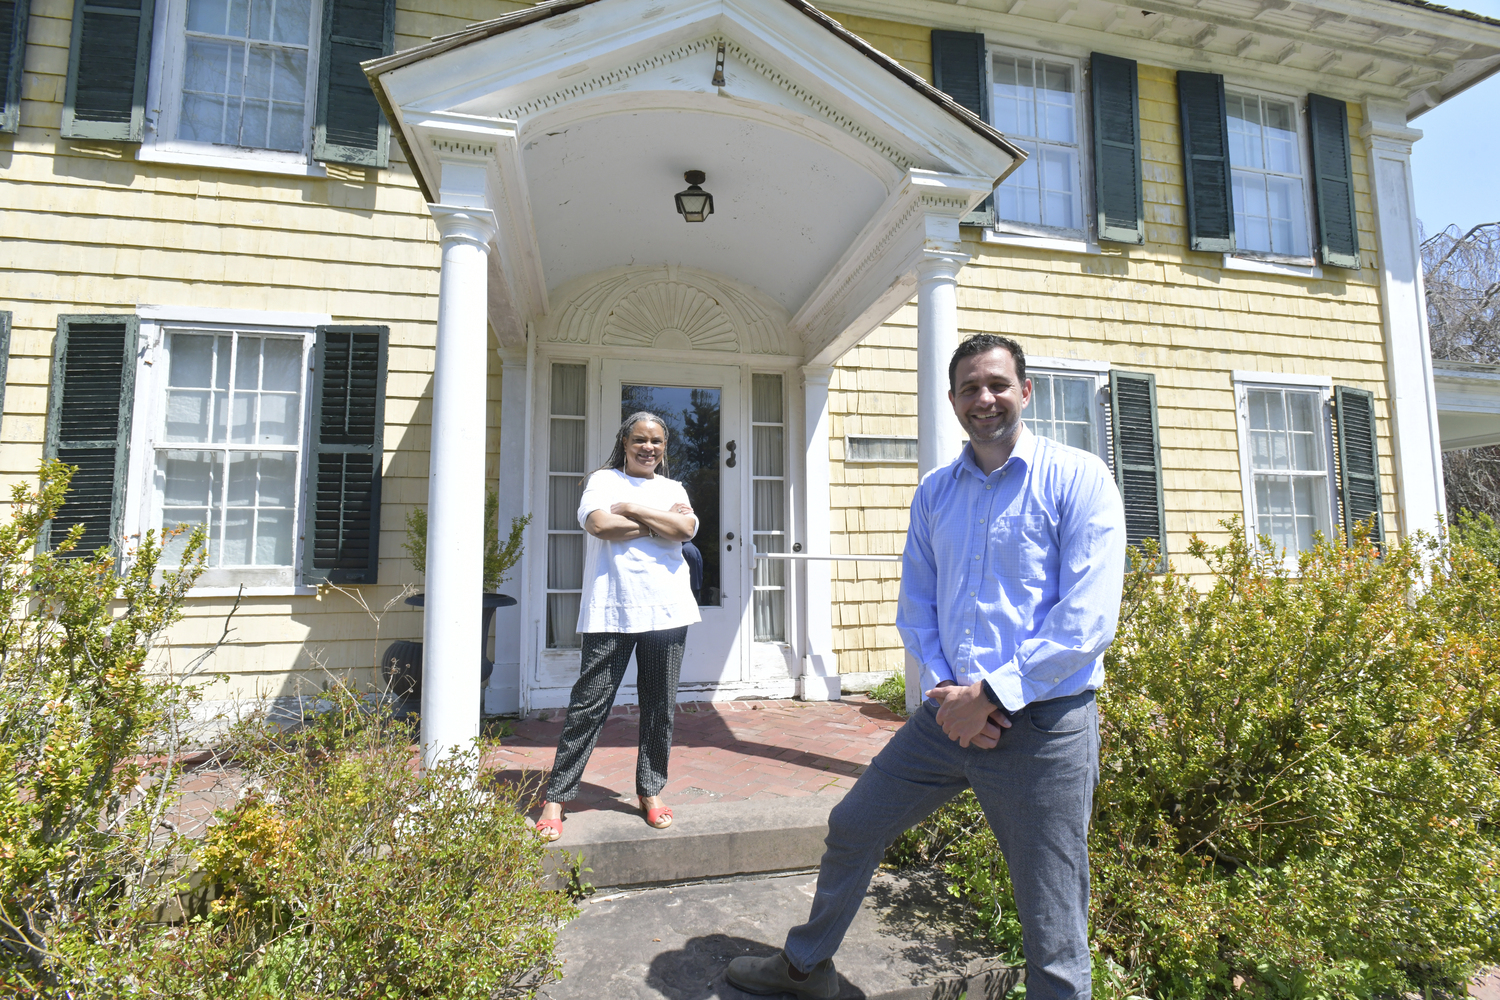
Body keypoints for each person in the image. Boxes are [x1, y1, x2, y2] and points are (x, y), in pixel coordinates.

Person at [726, 335, 1127, 1000]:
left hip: (1045, 731)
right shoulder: (936, 494)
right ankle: (806, 968)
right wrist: (948, 695)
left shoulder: (1080, 479)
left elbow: (1086, 621)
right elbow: (918, 607)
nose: (984, 398)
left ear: (1026, 392)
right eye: (969, 387)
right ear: (952, 401)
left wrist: (991, 696)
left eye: (997, 383)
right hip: (947, 721)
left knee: (1053, 930)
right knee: (853, 824)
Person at [534, 411, 701, 842]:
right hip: (612, 608)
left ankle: (651, 790)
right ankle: (557, 796)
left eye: (657, 442)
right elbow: (600, 525)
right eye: (640, 440)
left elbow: (685, 530)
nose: (649, 448)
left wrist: (633, 510)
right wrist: (657, 523)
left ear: (665, 448)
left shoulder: (673, 487)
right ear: (624, 442)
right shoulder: (603, 481)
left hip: (667, 609)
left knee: (659, 707)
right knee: (590, 704)